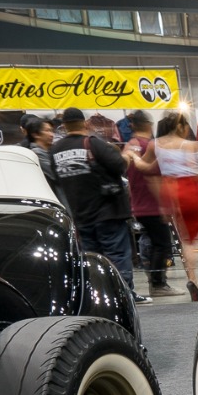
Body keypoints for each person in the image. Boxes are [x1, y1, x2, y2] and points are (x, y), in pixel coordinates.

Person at [50, 107, 141, 302]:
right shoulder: (93, 143)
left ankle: (99, 295)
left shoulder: (55, 150)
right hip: (108, 211)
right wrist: (127, 156)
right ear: (84, 122)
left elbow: (57, 179)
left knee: (91, 259)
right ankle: (123, 296)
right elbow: (119, 166)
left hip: (80, 214)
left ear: (64, 125)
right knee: (117, 255)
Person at [146, 111, 198, 300]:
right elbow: (196, 171)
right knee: (193, 239)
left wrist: (132, 158)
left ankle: (192, 278)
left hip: (169, 189)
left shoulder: (155, 145)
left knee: (183, 240)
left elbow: (146, 168)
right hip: (189, 188)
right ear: (182, 127)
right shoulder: (189, 145)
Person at [122, 111, 182, 298]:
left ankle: (156, 282)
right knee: (162, 244)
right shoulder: (150, 146)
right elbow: (153, 177)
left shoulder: (129, 146)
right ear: (149, 124)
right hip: (153, 204)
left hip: (139, 203)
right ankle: (158, 284)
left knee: (151, 242)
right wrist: (165, 204)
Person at [20, 116, 65, 209]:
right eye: (47, 131)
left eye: (52, 131)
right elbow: (56, 174)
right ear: (35, 134)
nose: (51, 134)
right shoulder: (36, 154)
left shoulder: (48, 152)